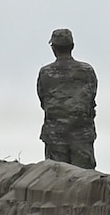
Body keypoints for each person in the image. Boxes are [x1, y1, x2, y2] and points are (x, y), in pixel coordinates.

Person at [37, 27, 98, 169]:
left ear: (53, 48)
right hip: (82, 135)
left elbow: (42, 99)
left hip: (55, 135)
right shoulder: (87, 70)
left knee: (57, 179)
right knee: (84, 180)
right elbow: (91, 98)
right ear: (72, 46)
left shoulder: (46, 72)